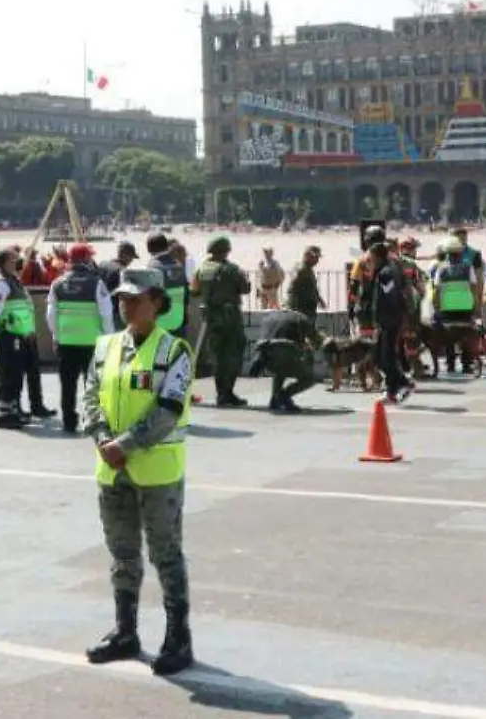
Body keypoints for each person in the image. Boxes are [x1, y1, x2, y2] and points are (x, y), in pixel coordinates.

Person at [79, 267, 196, 676]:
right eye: (122, 298)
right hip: (112, 469)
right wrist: (100, 438)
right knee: (122, 552)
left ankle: (178, 638)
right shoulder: (106, 346)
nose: (126, 304)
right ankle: (125, 631)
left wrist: (122, 445)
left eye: (136, 298)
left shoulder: (174, 351)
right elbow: (90, 394)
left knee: (166, 553)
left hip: (157, 469)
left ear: (157, 304)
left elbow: (168, 409)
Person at [48, 244, 114, 433]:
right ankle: (92, 419)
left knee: (67, 384)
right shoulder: (97, 284)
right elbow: (106, 315)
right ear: (86, 260)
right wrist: (108, 339)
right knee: (92, 384)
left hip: (66, 343)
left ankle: (69, 421)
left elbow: (50, 316)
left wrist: (57, 336)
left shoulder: (58, 284)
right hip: (92, 343)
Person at [191, 236, 252, 408]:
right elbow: (245, 288)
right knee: (234, 353)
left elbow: (194, 292)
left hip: (210, 318)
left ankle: (220, 394)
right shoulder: (231, 269)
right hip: (230, 317)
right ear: (226, 250)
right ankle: (228, 392)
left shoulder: (201, 269)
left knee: (217, 356)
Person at [0, 248, 37, 430]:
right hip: (8, 333)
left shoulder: (13, 280)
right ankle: (4, 414)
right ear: (5, 262)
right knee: (8, 373)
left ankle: (13, 410)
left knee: (16, 373)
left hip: (17, 332)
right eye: (14, 259)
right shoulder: (1, 283)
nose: (18, 261)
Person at [357, 239, 415, 404]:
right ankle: (396, 387)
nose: (369, 261)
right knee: (382, 356)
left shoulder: (385, 273)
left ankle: (399, 386)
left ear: (377, 256)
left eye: (370, 258)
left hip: (389, 320)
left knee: (385, 357)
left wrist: (390, 318)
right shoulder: (389, 269)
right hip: (389, 319)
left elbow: (391, 296)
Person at [252, 308, 321, 413]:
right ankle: (283, 396)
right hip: (286, 351)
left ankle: (274, 399)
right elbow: (317, 341)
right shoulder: (301, 318)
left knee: (280, 370)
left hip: (264, 355)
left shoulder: (270, 316)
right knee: (309, 379)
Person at [429, 237, 479, 374]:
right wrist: (475, 305)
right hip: (465, 307)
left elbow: (437, 290)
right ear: (460, 253)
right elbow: (474, 287)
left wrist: (435, 306)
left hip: (447, 308)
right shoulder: (468, 267)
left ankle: (451, 363)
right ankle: (466, 364)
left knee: (449, 338)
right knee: (465, 336)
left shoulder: (441, 269)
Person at [287, 246, 324, 321]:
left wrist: (319, 300)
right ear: (307, 256)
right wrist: (294, 309)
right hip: (302, 309)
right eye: (314, 257)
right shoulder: (302, 269)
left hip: (309, 308)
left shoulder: (308, 269)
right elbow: (293, 289)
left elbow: (313, 287)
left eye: (318, 258)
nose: (317, 261)